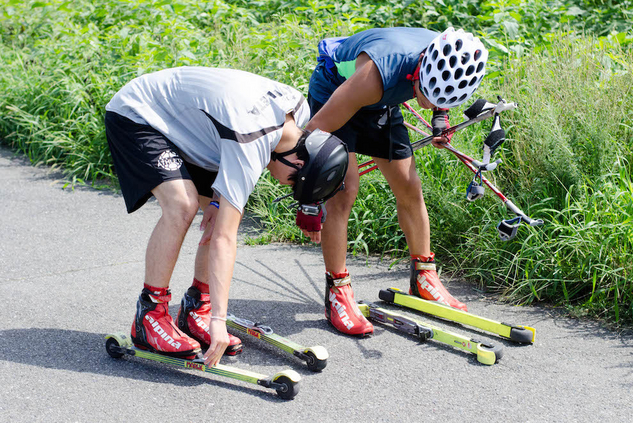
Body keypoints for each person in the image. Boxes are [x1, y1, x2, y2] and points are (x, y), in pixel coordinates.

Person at [104, 67, 348, 366]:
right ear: (298, 161)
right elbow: (224, 239)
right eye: (293, 182)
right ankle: (150, 316)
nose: (284, 183)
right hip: (140, 113)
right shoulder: (251, 137)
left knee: (223, 212)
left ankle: (196, 309)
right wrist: (220, 320)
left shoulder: (298, 113)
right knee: (183, 206)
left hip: (197, 126)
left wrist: (221, 201)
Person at [301, 27, 488, 336]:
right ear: (421, 71)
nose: (428, 104)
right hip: (338, 91)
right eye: (428, 94)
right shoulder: (375, 75)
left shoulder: (445, 56)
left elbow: (443, 89)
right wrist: (309, 195)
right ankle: (337, 291)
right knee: (343, 192)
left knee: (409, 187)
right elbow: (315, 132)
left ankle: (424, 277)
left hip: (383, 101)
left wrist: (440, 119)